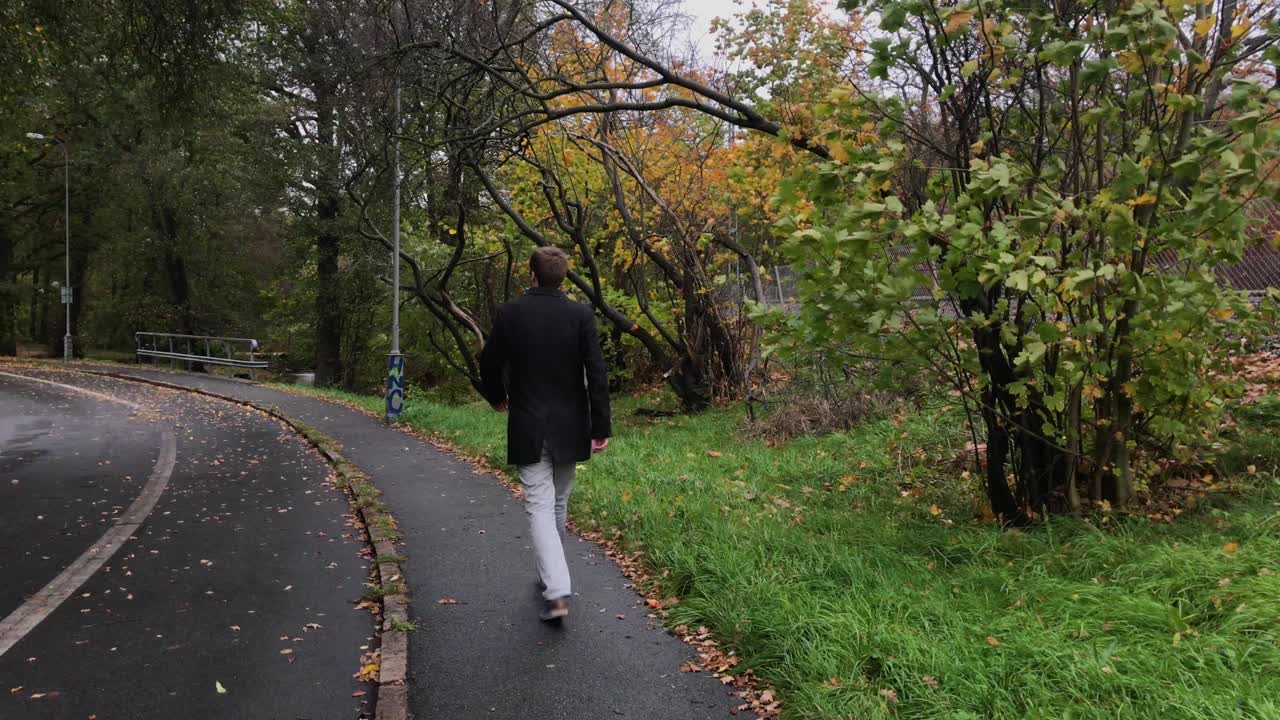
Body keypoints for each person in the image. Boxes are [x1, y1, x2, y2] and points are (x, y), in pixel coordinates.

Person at [479, 246, 612, 622]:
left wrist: (496, 397)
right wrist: (600, 426)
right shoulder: (580, 314)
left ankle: (556, 591)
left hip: (528, 421)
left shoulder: (511, 313)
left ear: (531, 275)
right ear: (564, 278)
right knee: (556, 503)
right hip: (572, 426)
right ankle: (552, 579)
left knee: (541, 504)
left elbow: (488, 363)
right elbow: (596, 373)